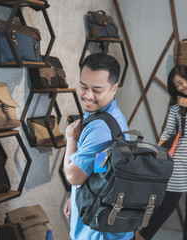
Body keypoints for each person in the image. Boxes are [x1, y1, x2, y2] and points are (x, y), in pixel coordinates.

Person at [134, 65, 187, 240]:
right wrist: (157, 150)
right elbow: (168, 131)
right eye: (176, 86)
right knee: (167, 204)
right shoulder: (176, 105)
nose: (180, 88)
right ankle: (142, 236)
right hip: (180, 162)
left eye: (181, 82)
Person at [63, 53, 133, 240]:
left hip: (96, 232)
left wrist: (71, 140)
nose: (88, 96)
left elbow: (73, 176)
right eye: (83, 86)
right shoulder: (113, 115)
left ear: (114, 88)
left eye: (97, 90)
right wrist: (76, 196)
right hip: (108, 221)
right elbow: (100, 164)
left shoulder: (99, 127)